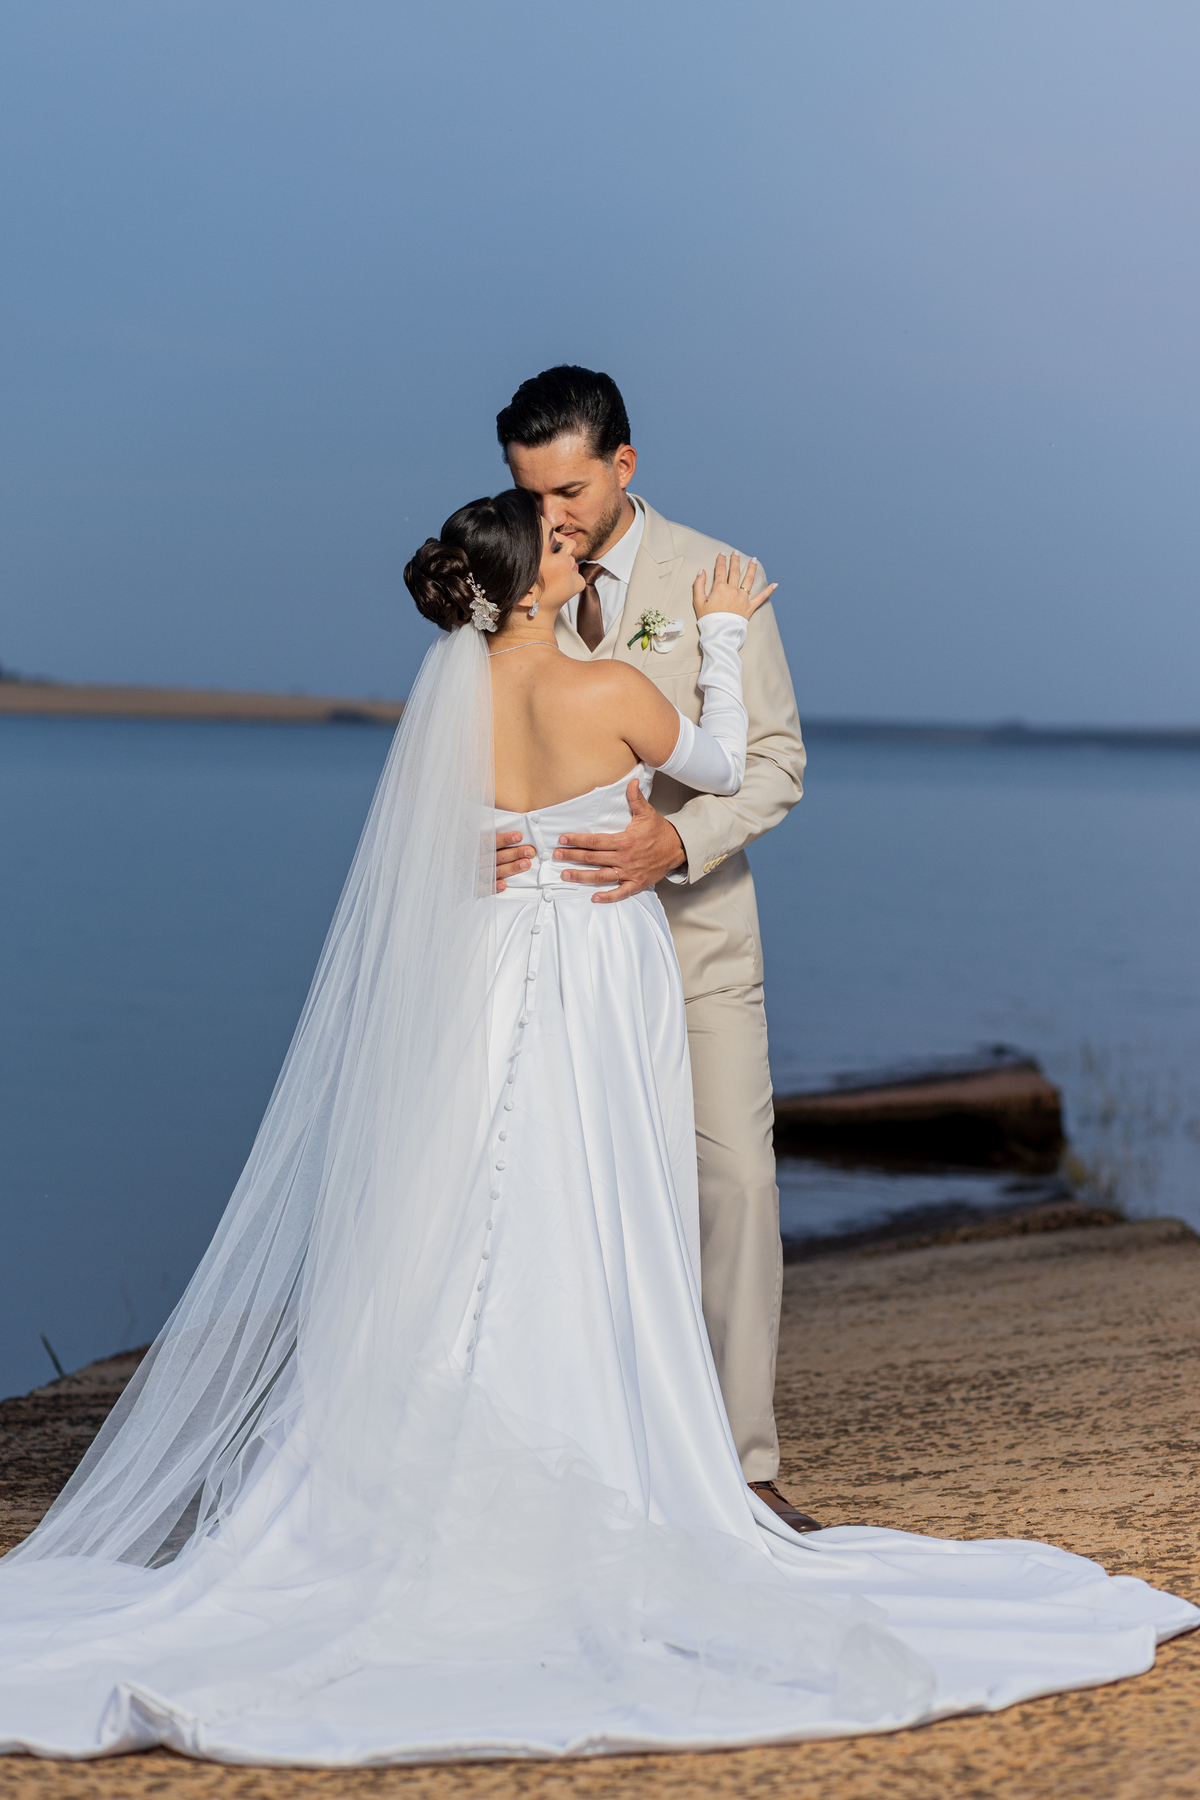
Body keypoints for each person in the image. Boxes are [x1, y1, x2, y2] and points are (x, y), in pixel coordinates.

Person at [0, 488, 1193, 1765]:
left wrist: (478, 850)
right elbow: (721, 765)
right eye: (560, 545)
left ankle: (409, 1460)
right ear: (528, 584)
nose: (578, 551)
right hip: (594, 967)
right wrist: (722, 634)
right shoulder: (609, 688)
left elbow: (422, 849)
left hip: (483, 967)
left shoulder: (453, 703)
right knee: (589, 1193)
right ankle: (597, 1450)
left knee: (463, 1197)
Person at [494, 366, 807, 1524]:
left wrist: (674, 843)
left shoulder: (717, 579)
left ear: (624, 465)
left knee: (735, 1183)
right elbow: (469, 744)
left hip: (695, 942)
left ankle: (745, 1471)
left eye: (570, 491)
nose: (552, 517)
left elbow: (774, 763)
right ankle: (588, 1461)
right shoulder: (507, 574)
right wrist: (477, 837)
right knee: (556, 1197)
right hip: (551, 958)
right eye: (531, 492)